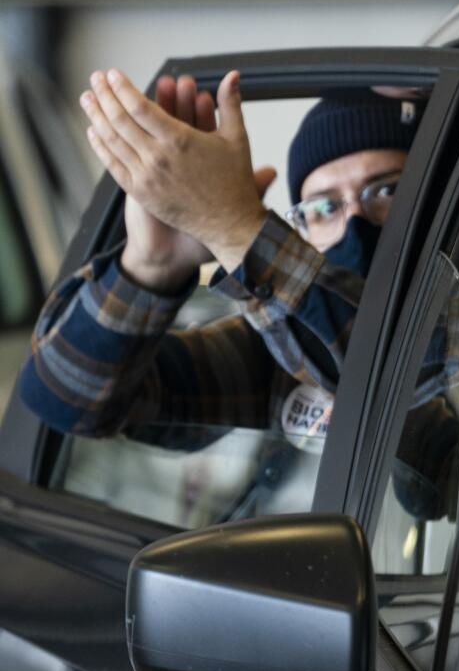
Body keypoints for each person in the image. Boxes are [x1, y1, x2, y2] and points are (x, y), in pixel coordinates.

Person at [18, 68, 421, 448]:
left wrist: (233, 225)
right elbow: (65, 399)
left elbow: (407, 369)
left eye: (386, 192)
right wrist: (151, 265)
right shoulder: (282, 354)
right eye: (323, 208)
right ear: (303, 229)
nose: (355, 222)